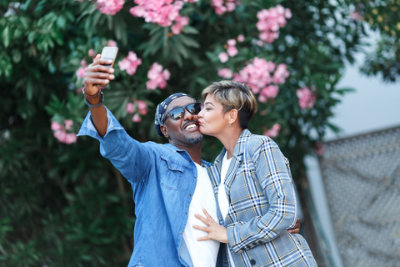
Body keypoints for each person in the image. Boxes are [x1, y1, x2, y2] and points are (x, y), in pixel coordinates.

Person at [78, 55, 300, 267]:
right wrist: (93, 99)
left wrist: (282, 228)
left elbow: (243, 223)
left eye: (194, 108)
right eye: (176, 114)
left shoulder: (219, 174)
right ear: (165, 130)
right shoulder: (152, 160)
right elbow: (118, 144)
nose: (189, 116)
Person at [193, 80, 317, 267]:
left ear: (231, 116)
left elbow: (284, 212)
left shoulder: (259, 147)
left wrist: (230, 234)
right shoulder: (216, 168)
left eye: (208, 108)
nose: (199, 115)